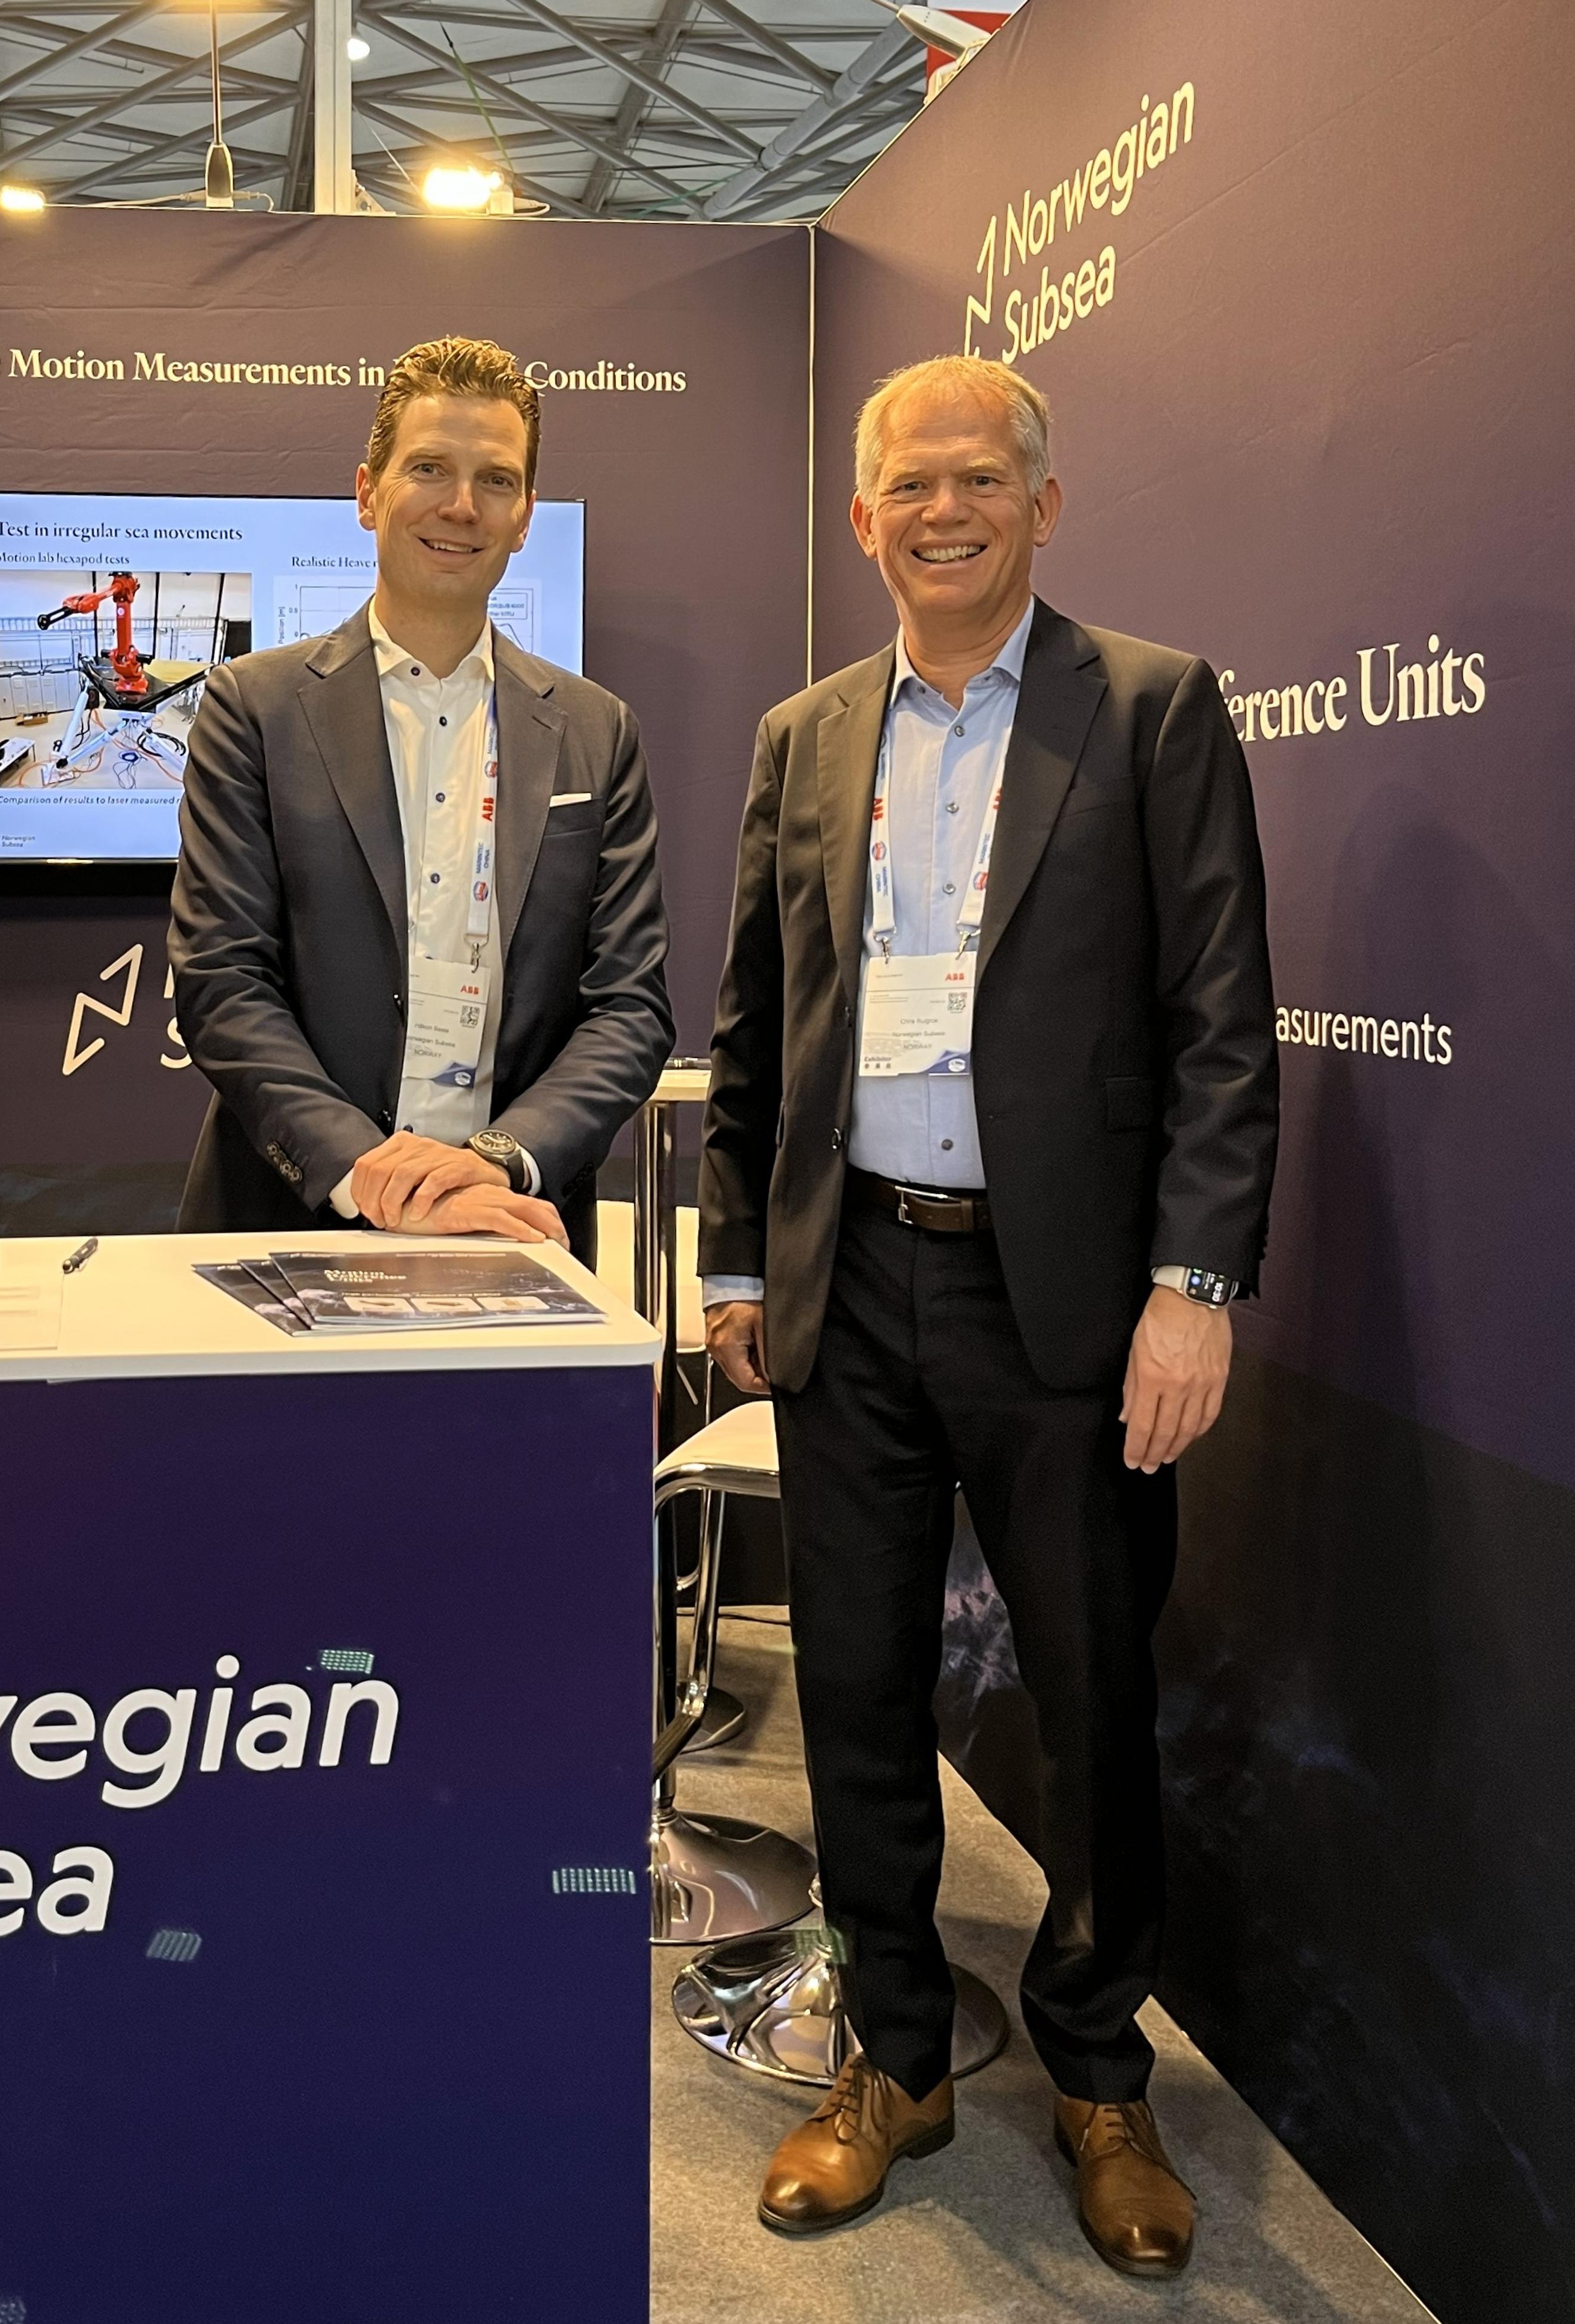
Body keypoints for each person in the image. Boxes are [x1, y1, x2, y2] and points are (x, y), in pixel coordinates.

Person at [697, 355, 1276, 2277]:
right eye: (907, 485)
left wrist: (1192, 1289)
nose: (942, 510)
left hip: (1077, 1303)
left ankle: (1103, 2073)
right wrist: (732, 1264)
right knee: (856, 1686)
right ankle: (899, 2057)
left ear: (1044, 500)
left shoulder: (1151, 708)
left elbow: (1221, 1018)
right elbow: (756, 1026)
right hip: (848, 1283)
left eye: (980, 478)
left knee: (1096, 1691)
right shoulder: (806, 735)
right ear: (861, 518)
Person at [169, 336, 672, 1259]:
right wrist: (373, 1173)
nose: (460, 506)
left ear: (525, 518)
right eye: (430, 469)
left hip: (513, 1228)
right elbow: (223, 981)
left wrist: (499, 1161)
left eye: (496, 480)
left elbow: (629, 1006)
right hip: (294, 1219)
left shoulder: (597, 731)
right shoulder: (254, 709)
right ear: (368, 493)